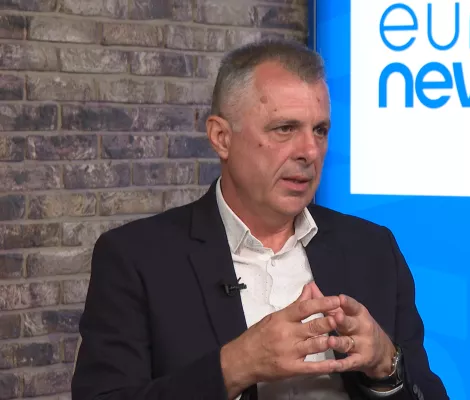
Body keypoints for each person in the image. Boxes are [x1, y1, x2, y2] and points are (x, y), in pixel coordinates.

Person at [71, 38, 449, 400]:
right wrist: (236, 366)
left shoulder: (373, 248)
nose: (309, 151)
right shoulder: (137, 259)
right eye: (285, 129)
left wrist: (386, 363)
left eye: (320, 130)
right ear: (221, 137)